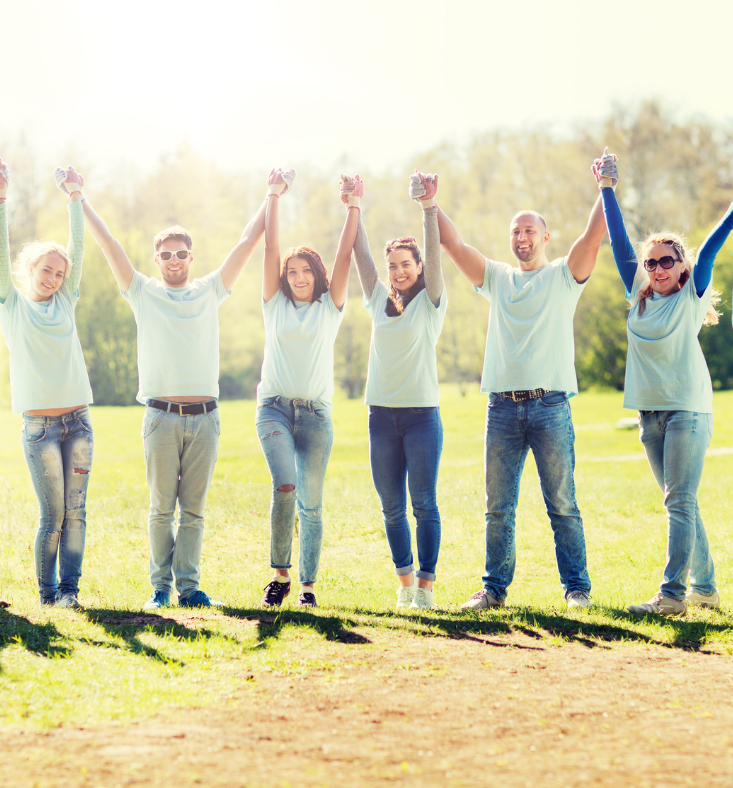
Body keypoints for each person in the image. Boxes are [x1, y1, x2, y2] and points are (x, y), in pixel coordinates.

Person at [79, 171, 267, 609]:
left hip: (206, 418)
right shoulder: (142, 292)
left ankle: (190, 588)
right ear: (157, 258)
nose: (174, 260)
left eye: (181, 253)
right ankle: (160, 588)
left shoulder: (210, 290)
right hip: (161, 418)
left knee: (195, 511)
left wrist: (270, 196)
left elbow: (245, 243)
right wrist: (79, 197)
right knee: (162, 508)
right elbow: (110, 245)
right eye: (166, 255)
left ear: (192, 256)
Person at [433, 157, 610, 609]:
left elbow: (594, 236)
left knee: (562, 505)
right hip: (502, 410)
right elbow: (452, 244)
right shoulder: (497, 278)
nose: (522, 236)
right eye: (515, 230)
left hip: (550, 407)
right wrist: (431, 203)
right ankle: (493, 590)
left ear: (545, 237)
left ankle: (577, 589)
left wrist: (605, 187)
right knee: (498, 509)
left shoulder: (563, 276)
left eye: (530, 229)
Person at [596, 153, 731, 616]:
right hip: (648, 414)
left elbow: (712, 247)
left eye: (666, 261)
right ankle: (707, 588)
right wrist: (607, 189)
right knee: (680, 502)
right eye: (651, 262)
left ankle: (672, 596)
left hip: (687, 412)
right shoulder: (639, 295)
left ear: (681, 265)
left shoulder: (690, 297)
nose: (656, 268)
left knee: (679, 501)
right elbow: (618, 245)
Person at [343, 171, 447, 609]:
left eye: (407, 264)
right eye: (394, 266)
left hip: (422, 416)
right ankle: (404, 584)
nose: (399, 271)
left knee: (423, 503)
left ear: (419, 268)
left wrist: (427, 208)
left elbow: (436, 256)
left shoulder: (431, 301)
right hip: (381, 417)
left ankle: (425, 586)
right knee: (391, 506)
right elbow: (360, 253)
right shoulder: (376, 300)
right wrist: (353, 206)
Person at [258, 168, 353, 608]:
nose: (298, 277)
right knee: (285, 486)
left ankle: (309, 587)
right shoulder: (273, 305)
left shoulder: (329, 308)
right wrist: (274, 195)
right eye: (291, 272)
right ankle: (280, 575)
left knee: (311, 505)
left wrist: (353, 206)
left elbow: (345, 255)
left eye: (305, 271)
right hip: (274, 409)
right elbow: (270, 246)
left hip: (316, 415)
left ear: (316, 274)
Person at [0, 160, 92, 608]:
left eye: (60, 273)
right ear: (31, 267)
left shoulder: (66, 301)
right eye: (47, 270)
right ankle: (47, 594)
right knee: (52, 514)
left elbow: (78, 244)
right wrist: (1, 199)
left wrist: (75, 197)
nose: (54, 279)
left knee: (76, 513)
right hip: (39, 428)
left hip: (78, 422)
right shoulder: (11, 304)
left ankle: (70, 593)